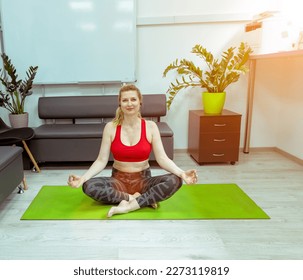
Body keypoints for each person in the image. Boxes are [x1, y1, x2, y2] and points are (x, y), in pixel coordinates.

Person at [67, 84, 198, 217]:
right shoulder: (110, 127)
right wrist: (83, 178)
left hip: (144, 181)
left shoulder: (151, 127)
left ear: (140, 102)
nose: (129, 103)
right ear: (120, 103)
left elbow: (162, 159)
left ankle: (128, 207)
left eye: (133, 99)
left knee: (175, 180)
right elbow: (101, 160)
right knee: (88, 186)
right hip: (118, 182)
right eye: (125, 100)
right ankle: (138, 199)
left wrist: (182, 173)